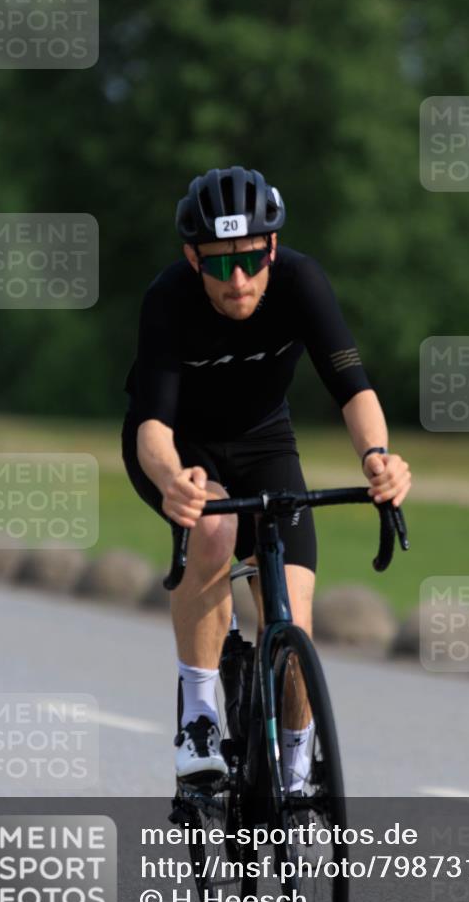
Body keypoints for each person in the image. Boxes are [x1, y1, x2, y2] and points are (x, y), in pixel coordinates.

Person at [122, 166, 411, 785]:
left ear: (272, 248)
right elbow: (151, 428)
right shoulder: (168, 298)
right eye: (219, 265)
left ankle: (297, 756)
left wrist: (377, 457)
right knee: (216, 534)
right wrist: (176, 481)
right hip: (182, 447)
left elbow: (353, 389)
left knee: (294, 622)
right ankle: (198, 715)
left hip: (264, 442)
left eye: (251, 260)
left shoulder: (301, 281)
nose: (238, 280)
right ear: (192, 257)